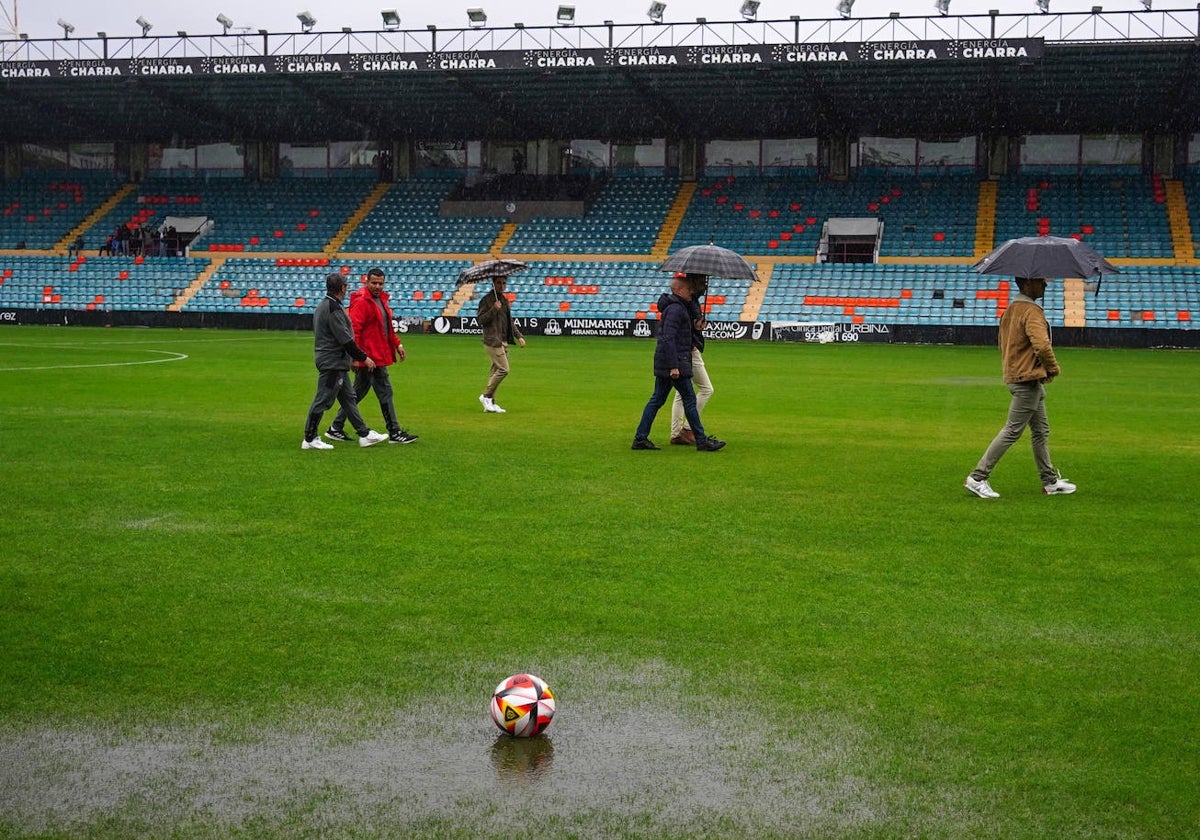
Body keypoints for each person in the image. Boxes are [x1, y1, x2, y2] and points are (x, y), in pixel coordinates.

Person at [965, 276, 1076, 498]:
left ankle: (1049, 481)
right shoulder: (1031, 311)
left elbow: (1003, 343)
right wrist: (1052, 369)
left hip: (1020, 377)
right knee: (1012, 430)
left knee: (1041, 431)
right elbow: (1042, 346)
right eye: (1041, 281)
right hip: (1026, 380)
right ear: (1027, 284)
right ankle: (978, 477)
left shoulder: (1011, 310)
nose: (1045, 284)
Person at [632, 276, 726, 452]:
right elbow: (668, 338)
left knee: (657, 400)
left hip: (668, 362)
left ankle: (640, 438)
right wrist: (674, 366)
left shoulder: (677, 307)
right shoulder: (676, 309)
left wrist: (696, 327)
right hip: (676, 362)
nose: (692, 292)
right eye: (689, 289)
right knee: (689, 400)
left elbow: (675, 336)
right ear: (679, 291)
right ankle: (701, 440)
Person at [326, 267, 418, 445]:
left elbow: (386, 327)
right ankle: (394, 431)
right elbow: (354, 331)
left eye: (380, 283)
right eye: (374, 283)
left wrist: (397, 344)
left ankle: (336, 427)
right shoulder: (362, 302)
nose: (377, 286)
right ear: (366, 281)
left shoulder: (380, 300)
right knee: (385, 392)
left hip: (376, 355)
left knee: (356, 393)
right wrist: (356, 357)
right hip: (370, 357)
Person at [301, 273, 388, 450]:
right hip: (332, 362)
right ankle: (309, 438)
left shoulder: (326, 305)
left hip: (337, 363)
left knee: (349, 399)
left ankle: (364, 434)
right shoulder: (333, 308)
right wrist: (363, 357)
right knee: (323, 399)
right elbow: (345, 339)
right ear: (342, 288)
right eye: (346, 286)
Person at [669, 273, 715, 446]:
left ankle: (675, 433)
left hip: (686, 348)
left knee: (680, 394)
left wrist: (697, 326)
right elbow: (683, 326)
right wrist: (691, 340)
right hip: (689, 350)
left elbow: (688, 324)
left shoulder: (689, 300)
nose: (705, 283)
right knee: (706, 389)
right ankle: (688, 429)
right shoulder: (689, 301)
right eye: (702, 280)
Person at [477, 276, 525, 413]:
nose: (502, 285)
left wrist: (519, 336)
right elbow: (481, 320)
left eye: (504, 283)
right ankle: (486, 396)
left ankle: (491, 402)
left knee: (495, 372)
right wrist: (494, 309)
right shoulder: (486, 300)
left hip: (503, 340)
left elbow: (509, 321)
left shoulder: (504, 300)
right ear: (493, 283)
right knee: (504, 369)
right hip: (492, 340)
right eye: (499, 283)